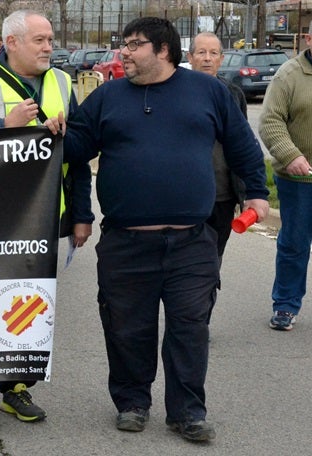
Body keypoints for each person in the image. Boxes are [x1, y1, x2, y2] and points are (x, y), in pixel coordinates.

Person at [64, 17, 269, 442]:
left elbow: (242, 145)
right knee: (125, 326)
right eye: (124, 44)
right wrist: (53, 130)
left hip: (192, 239)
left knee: (190, 327)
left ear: (163, 49)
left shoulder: (208, 92)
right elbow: (76, 150)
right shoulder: (106, 97)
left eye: (135, 45)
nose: (124, 52)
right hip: (126, 241)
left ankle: (187, 411)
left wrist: (257, 193)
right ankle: (132, 402)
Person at [0, 11, 91, 433]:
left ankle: (17, 384)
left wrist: (82, 215)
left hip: (44, 215)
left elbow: (80, 155)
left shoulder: (63, 84)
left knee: (31, 303)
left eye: (50, 39)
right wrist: (4, 128)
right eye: (39, 40)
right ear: (11, 42)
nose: (49, 46)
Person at [261, 23, 312, 331]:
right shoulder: (289, 75)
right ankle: (285, 305)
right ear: (308, 39)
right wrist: (290, 155)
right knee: (294, 244)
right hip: (299, 181)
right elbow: (270, 120)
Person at [187, 32, 248, 273]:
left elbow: (243, 147)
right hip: (186, 195)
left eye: (214, 53)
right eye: (201, 52)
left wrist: (245, 192)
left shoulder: (233, 95)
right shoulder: (174, 92)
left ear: (222, 59)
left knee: (213, 261)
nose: (207, 59)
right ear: (190, 57)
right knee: (188, 263)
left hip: (222, 195)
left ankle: (205, 300)